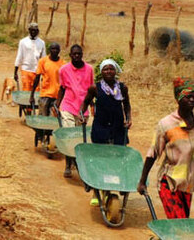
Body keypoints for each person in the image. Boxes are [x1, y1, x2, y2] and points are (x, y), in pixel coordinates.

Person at [137, 78, 194, 218]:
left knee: (182, 227)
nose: (192, 100)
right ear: (178, 98)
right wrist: (142, 181)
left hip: (187, 185)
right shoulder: (166, 124)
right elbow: (153, 153)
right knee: (178, 223)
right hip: (169, 183)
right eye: (188, 97)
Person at [56, 44, 94, 177]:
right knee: (69, 136)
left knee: (79, 139)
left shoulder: (89, 69)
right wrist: (57, 104)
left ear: (82, 54)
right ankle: (67, 165)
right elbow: (62, 88)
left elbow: (91, 90)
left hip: (83, 109)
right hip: (68, 106)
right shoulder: (63, 70)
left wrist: (93, 105)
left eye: (79, 54)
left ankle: (77, 163)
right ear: (70, 55)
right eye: (74, 54)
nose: (77, 56)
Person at [80, 58, 131, 145]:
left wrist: (128, 119)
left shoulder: (122, 88)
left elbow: (126, 105)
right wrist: (81, 114)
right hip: (100, 127)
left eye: (111, 69)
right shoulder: (95, 88)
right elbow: (86, 102)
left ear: (115, 71)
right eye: (105, 69)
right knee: (100, 154)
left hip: (117, 126)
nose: (108, 71)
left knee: (119, 153)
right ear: (101, 71)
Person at [29, 42, 65, 117]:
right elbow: (37, 78)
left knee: (53, 119)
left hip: (57, 96)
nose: (54, 51)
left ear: (59, 51)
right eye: (53, 49)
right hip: (45, 95)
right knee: (42, 118)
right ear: (49, 50)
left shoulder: (63, 64)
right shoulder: (43, 61)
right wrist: (32, 94)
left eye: (56, 49)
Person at [13, 22, 46, 93]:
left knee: (36, 91)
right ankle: (25, 104)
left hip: (37, 71)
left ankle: (33, 104)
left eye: (35, 30)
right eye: (32, 30)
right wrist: (15, 72)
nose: (33, 32)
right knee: (26, 90)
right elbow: (19, 56)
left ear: (38, 31)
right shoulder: (23, 42)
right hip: (26, 69)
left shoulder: (41, 43)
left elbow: (43, 58)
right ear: (29, 30)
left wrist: (44, 74)